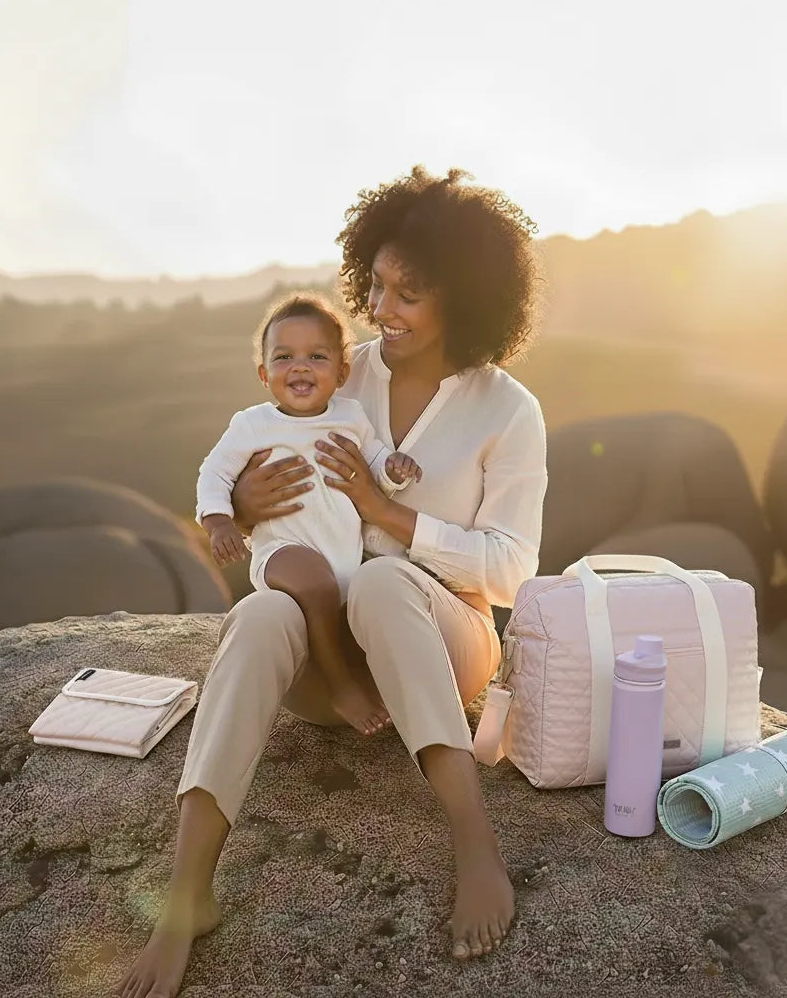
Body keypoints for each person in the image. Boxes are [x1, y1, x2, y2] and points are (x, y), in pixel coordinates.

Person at [116, 166, 548, 998]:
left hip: (441, 640)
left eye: (409, 293)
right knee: (255, 617)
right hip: (326, 662)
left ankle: (474, 844)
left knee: (386, 587)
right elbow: (249, 454)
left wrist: (388, 517)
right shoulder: (341, 369)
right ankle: (185, 892)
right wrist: (238, 503)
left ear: (466, 297)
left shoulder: (508, 410)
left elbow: (511, 570)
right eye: (376, 285)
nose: (380, 310)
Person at [196, 292, 423, 736]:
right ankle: (340, 687)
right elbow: (213, 473)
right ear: (264, 374)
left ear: (342, 372)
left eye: (316, 356)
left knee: (362, 591)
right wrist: (219, 521)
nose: (299, 366)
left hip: (343, 557)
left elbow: (374, 462)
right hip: (283, 553)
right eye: (284, 357)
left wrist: (394, 470)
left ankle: (384, 687)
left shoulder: (351, 417)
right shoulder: (254, 424)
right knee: (316, 584)